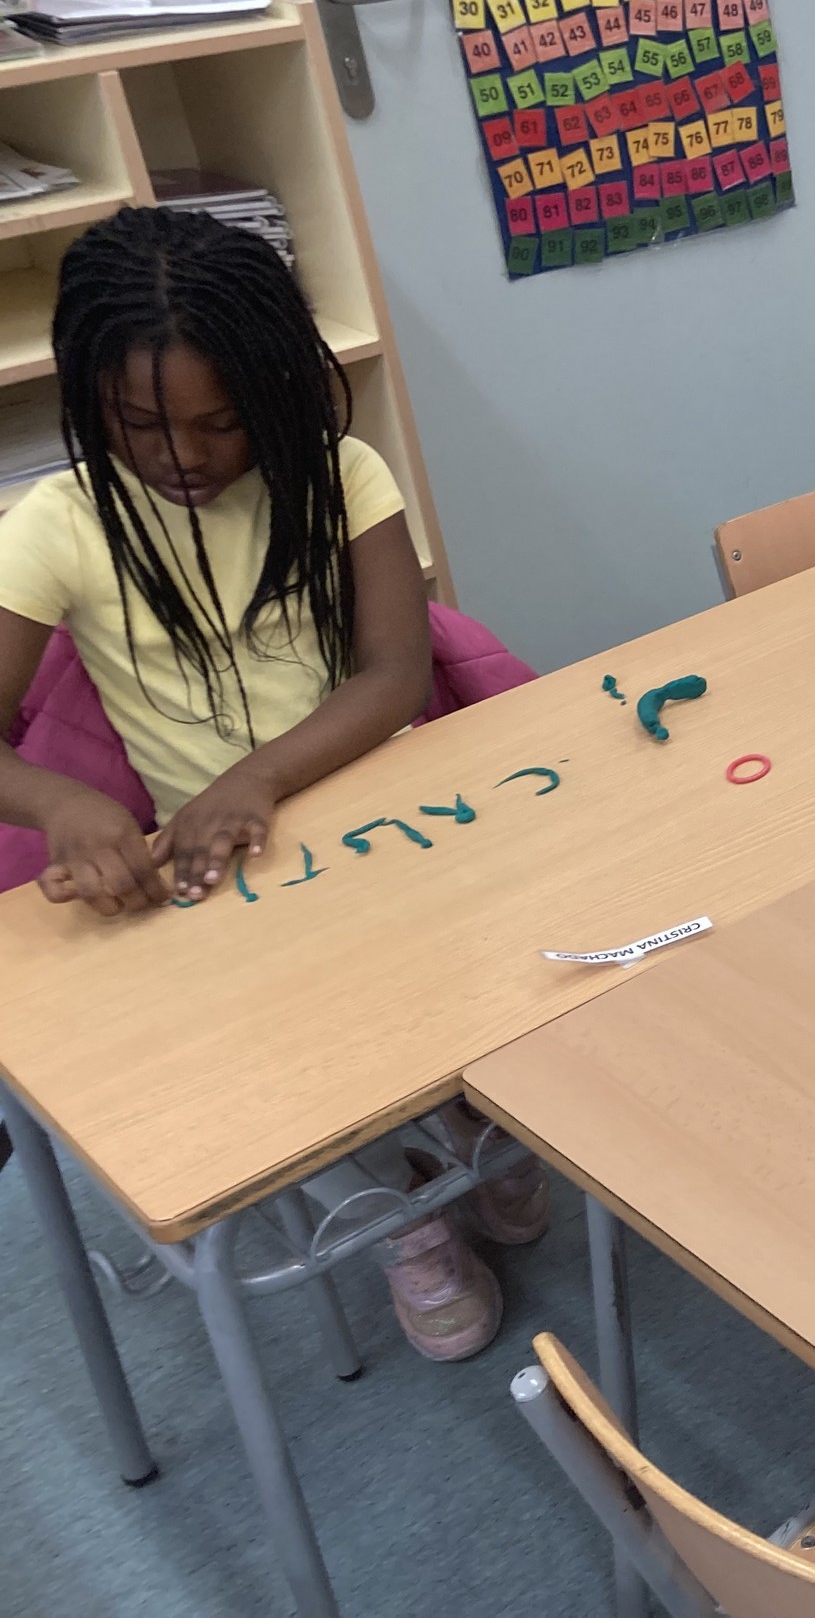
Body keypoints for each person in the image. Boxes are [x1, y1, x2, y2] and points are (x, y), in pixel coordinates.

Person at [0, 206, 536, 1360]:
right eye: (140, 423)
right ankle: (400, 1217)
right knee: (290, 1063)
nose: (182, 456)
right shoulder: (58, 524)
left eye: (221, 422)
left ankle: (478, 1134)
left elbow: (394, 674)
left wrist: (256, 778)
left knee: (460, 991)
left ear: (276, 391)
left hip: (378, 812)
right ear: (89, 397)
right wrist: (60, 802)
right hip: (215, 868)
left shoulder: (341, 476)